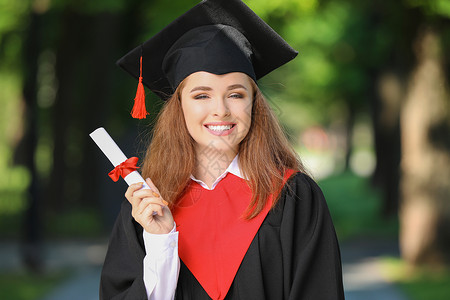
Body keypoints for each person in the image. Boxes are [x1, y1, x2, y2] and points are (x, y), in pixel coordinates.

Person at [99, 0, 344, 299]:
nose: (221, 110)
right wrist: (160, 242)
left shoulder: (293, 196)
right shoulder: (147, 204)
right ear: (179, 107)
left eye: (236, 94)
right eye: (201, 95)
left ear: (254, 104)